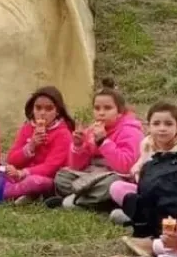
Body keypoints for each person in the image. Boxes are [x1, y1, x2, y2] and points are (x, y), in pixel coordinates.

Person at [48, 79, 144, 210]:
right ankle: (86, 199)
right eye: (97, 108)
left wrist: (103, 142)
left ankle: (77, 200)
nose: (101, 113)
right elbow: (77, 166)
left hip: (115, 175)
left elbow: (125, 167)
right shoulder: (91, 130)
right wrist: (78, 146)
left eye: (108, 108)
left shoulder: (130, 130)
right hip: (92, 175)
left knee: (112, 184)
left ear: (120, 112)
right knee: (62, 177)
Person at [0, 87, 74, 205]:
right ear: (33, 109)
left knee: (34, 182)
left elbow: (51, 167)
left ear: (57, 111)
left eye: (49, 109)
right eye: (38, 108)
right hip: (17, 176)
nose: (42, 113)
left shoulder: (63, 134)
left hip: (45, 179)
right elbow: (11, 159)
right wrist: (31, 146)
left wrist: (23, 173)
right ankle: (21, 194)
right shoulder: (27, 128)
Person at [108, 102, 177, 224]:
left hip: (176, 195)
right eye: (156, 124)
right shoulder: (147, 143)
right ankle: (143, 214)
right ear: (149, 126)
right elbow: (140, 163)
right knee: (116, 187)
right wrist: (137, 170)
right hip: (152, 193)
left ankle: (141, 217)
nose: (162, 128)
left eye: (168, 124)